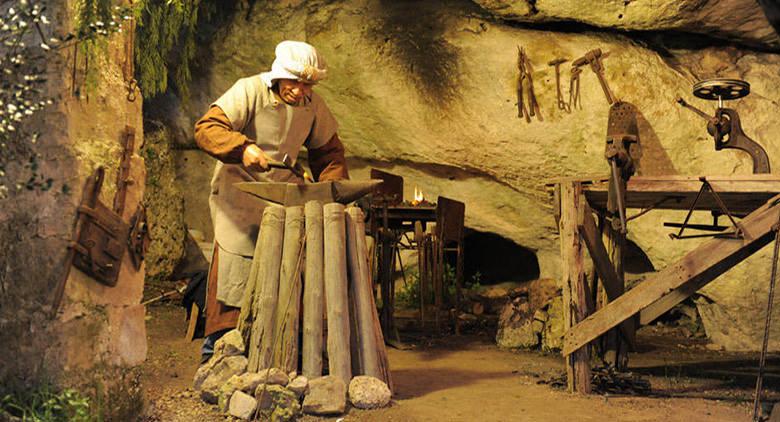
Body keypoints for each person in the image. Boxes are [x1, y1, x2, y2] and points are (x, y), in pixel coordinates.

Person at [193, 40, 349, 363]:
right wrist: (242, 148)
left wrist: (331, 190)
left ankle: (276, 355)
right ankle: (218, 355)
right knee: (236, 274)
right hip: (240, 197)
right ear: (279, 76)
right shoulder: (248, 91)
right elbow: (207, 128)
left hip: (283, 201)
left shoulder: (312, 105)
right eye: (295, 82)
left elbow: (329, 153)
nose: (301, 90)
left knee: (287, 274)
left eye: (308, 84)